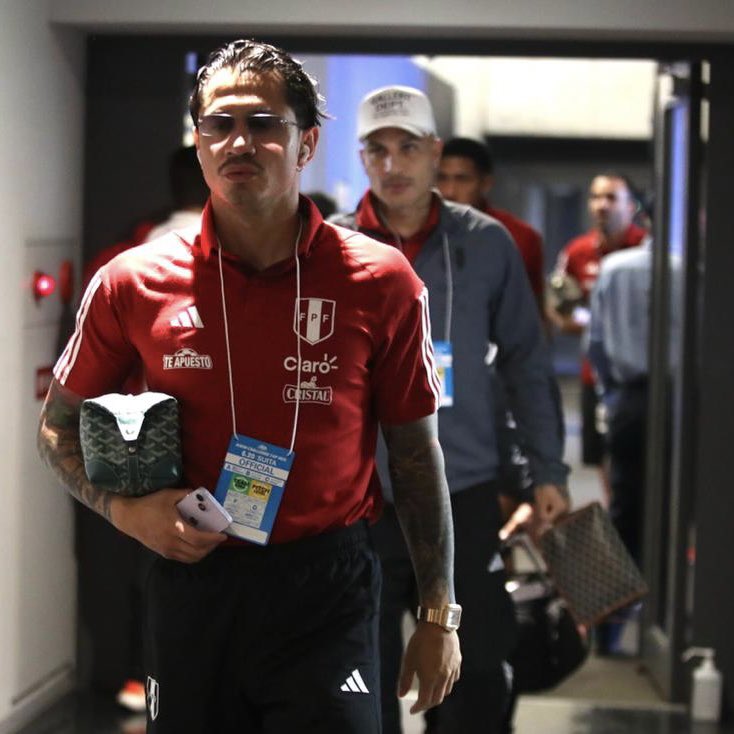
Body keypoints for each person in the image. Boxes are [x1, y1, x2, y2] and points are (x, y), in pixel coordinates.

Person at [38, 41, 461, 734]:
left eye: (264, 124)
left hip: (327, 583)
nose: (240, 141)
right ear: (199, 145)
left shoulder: (381, 282)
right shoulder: (131, 282)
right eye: (219, 124)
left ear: (306, 144)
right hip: (194, 583)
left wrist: (440, 614)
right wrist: (129, 515)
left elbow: (416, 456)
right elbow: (56, 427)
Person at [331, 85, 569, 734]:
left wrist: (548, 469)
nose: (393, 164)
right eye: (377, 150)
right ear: (361, 158)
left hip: (461, 490)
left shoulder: (487, 244)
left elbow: (525, 361)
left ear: (435, 153)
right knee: (360, 682)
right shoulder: (331, 249)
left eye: (409, 146)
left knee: (472, 681)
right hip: (362, 498)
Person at [74, 144, 210, 716]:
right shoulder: (211, 259)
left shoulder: (118, 255)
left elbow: (81, 364)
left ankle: (139, 674)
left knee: (142, 562)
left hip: (125, 437)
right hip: (203, 437)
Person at [547, 173, 647, 493]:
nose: (602, 205)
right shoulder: (577, 252)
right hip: (596, 376)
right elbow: (559, 309)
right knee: (603, 455)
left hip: (643, 378)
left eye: (611, 198)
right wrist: (595, 324)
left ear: (631, 206)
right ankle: (616, 523)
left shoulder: (648, 252)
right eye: (595, 197)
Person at [588, 234, 681, 564]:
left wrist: (610, 396)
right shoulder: (690, 269)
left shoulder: (614, 268)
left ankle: (623, 598)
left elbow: (595, 344)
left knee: (625, 498)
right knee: (675, 497)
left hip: (628, 397)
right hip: (676, 397)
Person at [437, 136, 545, 313]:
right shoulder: (417, 231)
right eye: (442, 178)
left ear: (485, 183)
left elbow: (534, 312)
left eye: (462, 179)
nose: (449, 191)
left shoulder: (519, 237)